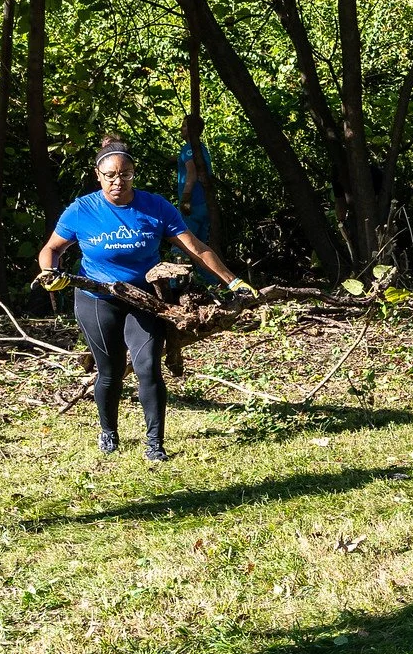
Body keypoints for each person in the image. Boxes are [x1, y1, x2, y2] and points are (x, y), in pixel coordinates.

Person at [37, 139, 257, 460]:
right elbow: (51, 249)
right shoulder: (81, 210)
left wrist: (235, 281)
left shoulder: (155, 207)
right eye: (110, 175)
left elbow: (196, 248)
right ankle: (108, 432)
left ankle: (155, 444)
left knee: (148, 367)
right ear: (98, 175)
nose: (117, 181)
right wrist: (49, 273)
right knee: (110, 371)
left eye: (124, 174)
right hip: (97, 299)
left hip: (146, 298)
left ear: (133, 174)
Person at [175, 116, 215, 243]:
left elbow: (192, 173)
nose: (181, 129)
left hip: (193, 203)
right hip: (205, 202)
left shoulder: (187, 148)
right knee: (201, 244)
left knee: (185, 243)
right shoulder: (201, 148)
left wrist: (186, 198)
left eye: (185, 126)